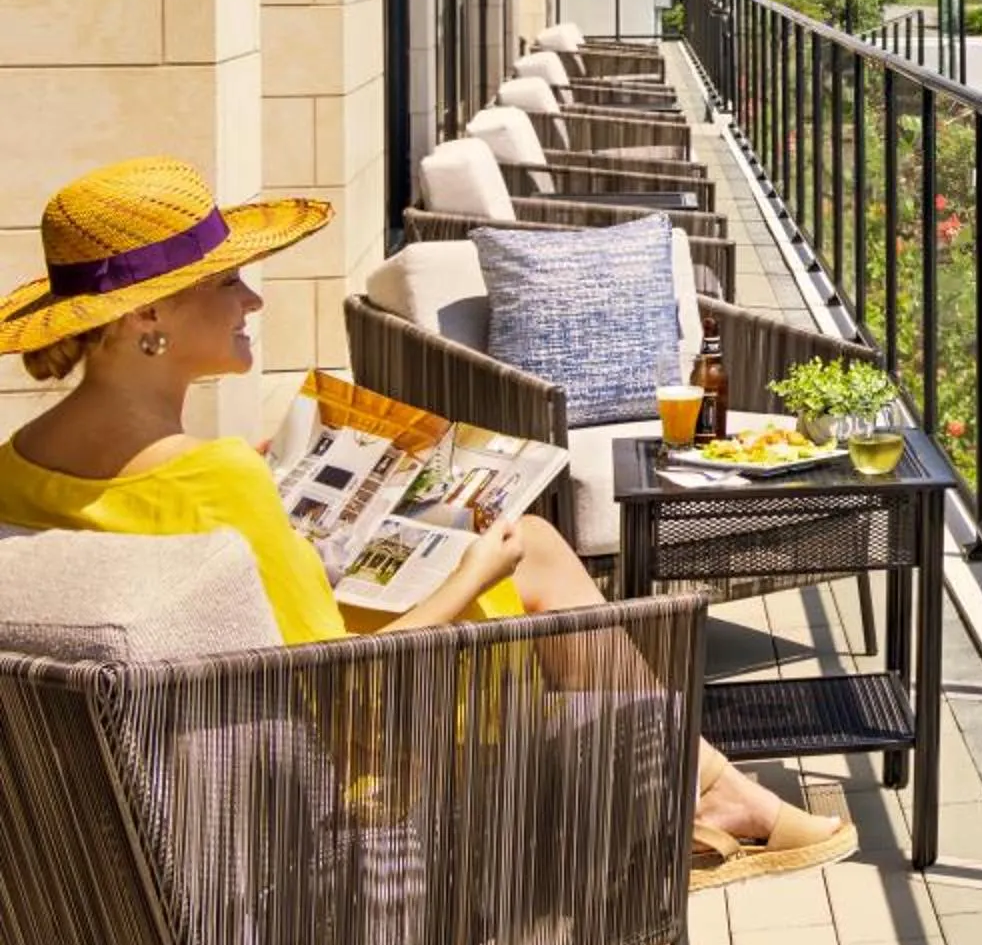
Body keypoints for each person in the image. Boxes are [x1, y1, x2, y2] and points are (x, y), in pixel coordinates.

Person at [0, 156, 856, 888]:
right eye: (227, 282)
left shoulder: (21, 459)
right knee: (532, 552)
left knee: (534, 556)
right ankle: (695, 797)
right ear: (146, 316)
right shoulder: (211, 475)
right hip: (344, 763)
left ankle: (701, 791)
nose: (253, 302)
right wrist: (477, 566)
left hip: (204, 743)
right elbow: (341, 678)